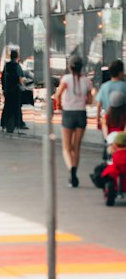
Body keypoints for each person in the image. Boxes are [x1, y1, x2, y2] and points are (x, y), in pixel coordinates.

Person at [54, 56, 93, 187]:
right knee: (76, 147)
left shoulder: (65, 79)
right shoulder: (87, 82)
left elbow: (58, 94)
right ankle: (74, 170)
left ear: (70, 67)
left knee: (66, 147)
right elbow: (90, 100)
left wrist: (60, 106)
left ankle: (72, 172)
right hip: (81, 114)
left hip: (68, 113)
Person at [0, 48, 27, 134]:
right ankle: (18, 125)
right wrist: (22, 85)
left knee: (7, 107)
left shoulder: (6, 65)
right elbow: (20, 79)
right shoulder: (17, 66)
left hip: (7, 90)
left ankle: (4, 125)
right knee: (17, 107)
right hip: (15, 90)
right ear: (17, 57)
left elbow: (2, 77)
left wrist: (4, 88)